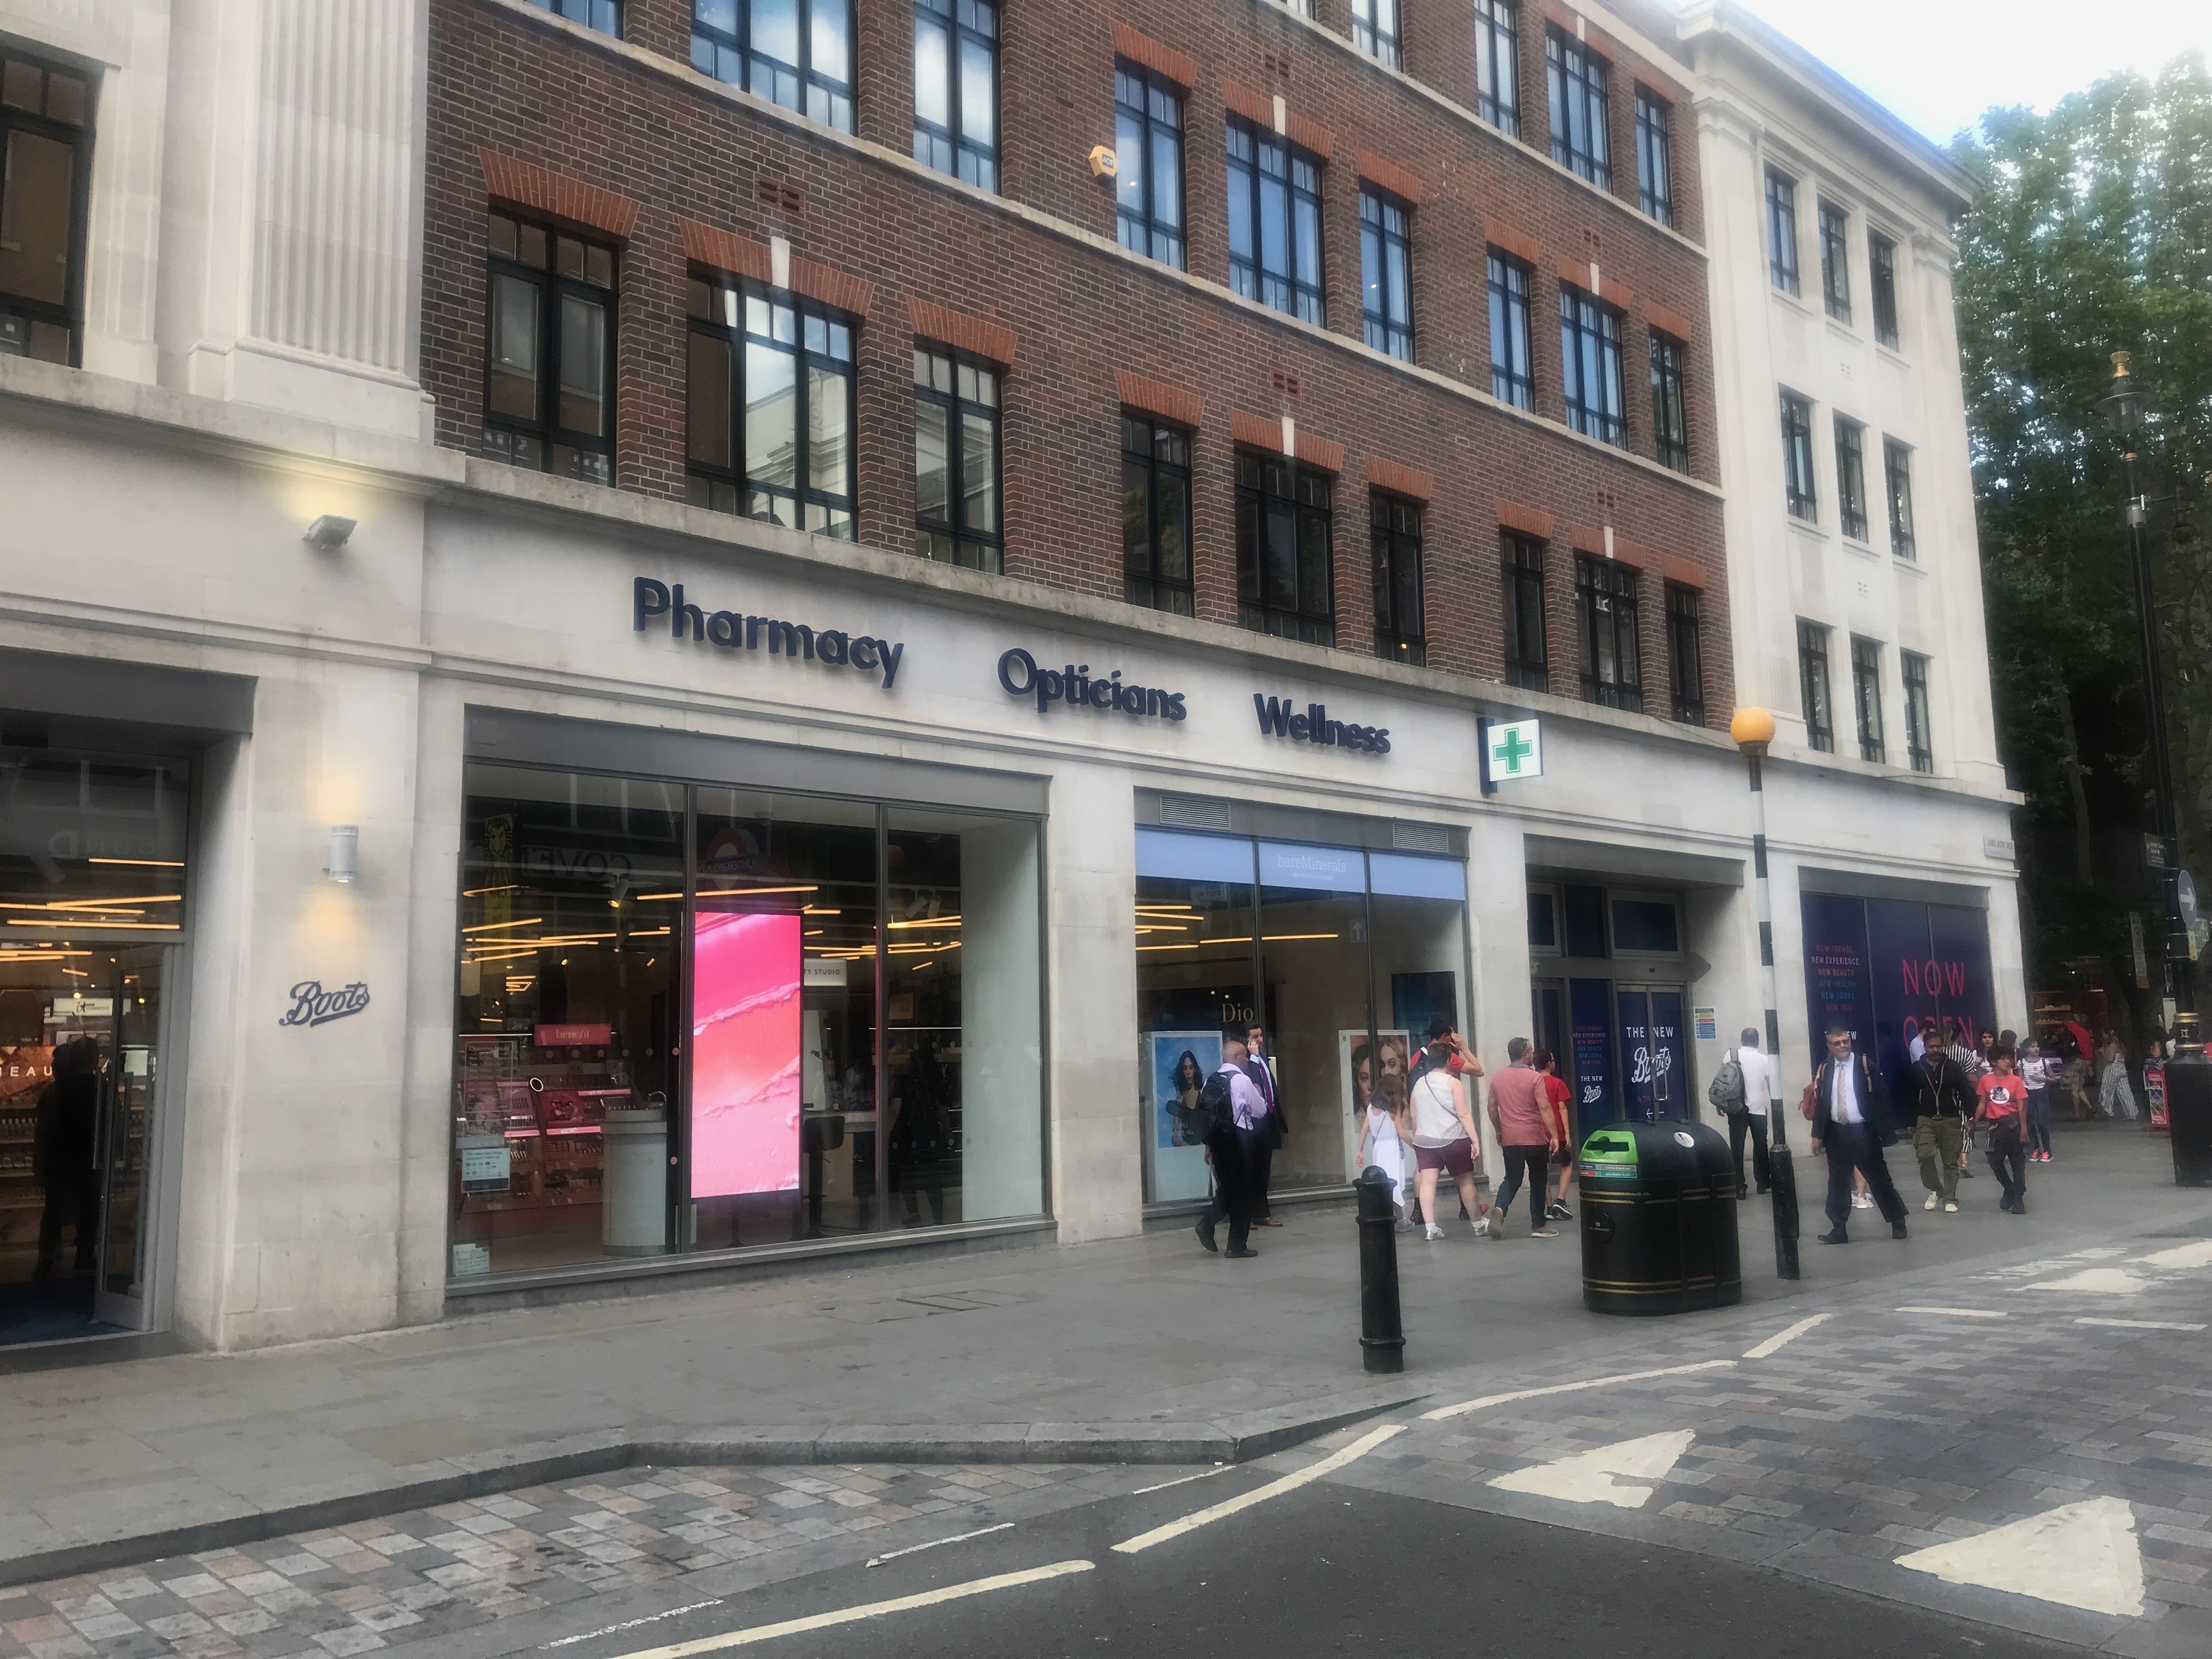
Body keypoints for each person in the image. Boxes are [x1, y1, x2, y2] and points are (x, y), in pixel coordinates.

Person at [1810, 1025, 1909, 1244]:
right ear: (1829, 1047)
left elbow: (1882, 1097)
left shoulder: (1865, 1065)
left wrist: (1886, 1131)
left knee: (1878, 1177)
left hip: (1863, 1131)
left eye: (1845, 1041)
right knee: (1837, 1181)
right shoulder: (1826, 1068)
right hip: (1836, 1133)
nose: (1843, 1045)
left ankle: (1897, 1221)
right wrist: (1817, 1133)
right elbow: (1823, 1104)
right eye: (1837, 1043)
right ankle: (1838, 1228)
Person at [33, 1037, 103, 1282]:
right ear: (95, 1060)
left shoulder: (55, 1090)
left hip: (60, 1159)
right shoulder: (102, 1090)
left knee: (54, 1209)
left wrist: (39, 1162)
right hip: (92, 1159)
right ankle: (85, 1254)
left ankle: (47, 1257)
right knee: (90, 1209)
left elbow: (45, 1129)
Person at [1406, 1028, 1483, 1242]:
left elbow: (1413, 1115)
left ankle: (1431, 1228)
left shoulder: (1419, 1084)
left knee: (1428, 1183)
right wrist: (1475, 1140)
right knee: (1466, 1182)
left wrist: (1419, 1136)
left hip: (1426, 1141)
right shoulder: (1453, 1083)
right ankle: (1477, 1224)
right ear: (1449, 1061)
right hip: (1454, 1140)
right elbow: (1464, 1114)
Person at [1195, 1035, 1267, 1259]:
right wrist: (1259, 1092)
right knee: (1243, 1193)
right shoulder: (1242, 1081)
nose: (1247, 1061)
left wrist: (1208, 1146)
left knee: (1227, 1188)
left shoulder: (1210, 1080)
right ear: (1235, 1057)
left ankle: (1207, 1224)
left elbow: (1208, 1117)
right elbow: (1260, 1111)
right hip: (1239, 1141)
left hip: (1218, 1143)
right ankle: (1236, 1245)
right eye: (1245, 1057)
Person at [1483, 1038, 1559, 1239]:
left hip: (1510, 1138)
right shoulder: (1535, 1078)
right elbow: (1544, 1107)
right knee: (1538, 1179)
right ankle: (1538, 1225)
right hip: (1534, 1138)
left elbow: (1491, 1108)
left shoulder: (1498, 1078)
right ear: (1525, 1054)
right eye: (1531, 1051)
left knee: (1512, 1178)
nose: (1533, 1055)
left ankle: (1500, 1208)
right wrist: (1554, 1135)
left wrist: (1499, 1129)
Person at [1900, 1028, 1972, 1214]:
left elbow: (1965, 1091)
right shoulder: (1916, 1068)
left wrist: (1971, 1117)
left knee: (1950, 1161)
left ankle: (1950, 1198)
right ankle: (1936, 1189)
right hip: (1925, 1118)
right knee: (1924, 1155)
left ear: (1944, 1047)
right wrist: (1910, 1121)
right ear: (1925, 1047)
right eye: (1932, 1046)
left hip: (1950, 1118)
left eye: (1939, 1046)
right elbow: (1909, 1096)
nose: (1936, 1050)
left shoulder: (1953, 1067)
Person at [1355, 1044, 1410, 1227]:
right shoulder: (1393, 1109)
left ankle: (1391, 1217)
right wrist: (1417, 1145)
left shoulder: (1371, 1108)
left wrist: (1360, 1150)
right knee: (1394, 1185)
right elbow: (1402, 1133)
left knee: (1383, 1183)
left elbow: (1365, 1130)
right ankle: (1401, 1221)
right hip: (1393, 1148)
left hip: (1378, 1148)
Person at [1724, 1026, 1775, 1200]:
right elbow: (1771, 1085)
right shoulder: (1765, 1060)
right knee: (1760, 1145)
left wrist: (1722, 1104)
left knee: (1737, 1148)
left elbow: (1725, 1082)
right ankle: (1763, 1182)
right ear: (1758, 1042)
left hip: (1736, 1108)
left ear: (1742, 1040)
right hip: (1758, 1108)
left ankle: (1739, 1187)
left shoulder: (1731, 1055)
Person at [1979, 1043, 2031, 1214]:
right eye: (2003, 1059)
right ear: (1994, 1061)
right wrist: (1974, 1120)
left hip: (2014, 1124)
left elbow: (2022, 1107)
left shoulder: (2016, 1081)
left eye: (2009, 1059)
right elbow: (1982, 1103)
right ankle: (2009, 1188)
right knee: (1994, 1160)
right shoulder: (1986, 1080)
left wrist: (2024, 1130)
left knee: (2018, 1163)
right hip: (1995, 1126)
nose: (2008, 1062)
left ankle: (2018, 1199)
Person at [1244, 1022, 1285, 1226]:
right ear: (1247, 1041)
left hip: (1268, 1120)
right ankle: (1247, 1215)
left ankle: (1262, 1213)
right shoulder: (1246, 1062)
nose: (1260, 1040)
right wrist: (1252, 1057)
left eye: (1261, 1035)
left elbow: (1270, 1087)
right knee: (1250, 1170)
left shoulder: (1263, 1060)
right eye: (1255, 1037)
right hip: (1253, 1124)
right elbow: (1253, 1085)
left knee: (1264, 1170)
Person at [1536, 1049, 1575, 1222]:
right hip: (1557, 1131)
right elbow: (1562, 1109)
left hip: (1539, 1132)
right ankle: (1561, 1200)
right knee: (1567, 1164)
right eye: (1553, 1059)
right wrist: (1567, 1134)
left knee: (1541, 1170)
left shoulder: (1533, 1083)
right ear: (1548, 1064)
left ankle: (1550, 1206)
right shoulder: (1558, 1083)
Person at [2021, 1038, 2056, 1162]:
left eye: (2037, 1046)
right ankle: (2036, 1148)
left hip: (2041, 1093)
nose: (2036, 1049)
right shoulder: (2021, 1063)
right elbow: (2020, 1080)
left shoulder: (2044, 1062)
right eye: (2033, 1047)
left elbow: (2054, 1079)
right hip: (2028, 1093)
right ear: (2026, 1049)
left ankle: (2047, 1150)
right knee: (2030, 1122)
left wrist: (2042, 1079)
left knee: (2042, 1122)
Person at [1166, 1049, 1207, 1147]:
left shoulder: (1203, 1095)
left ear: (1195, 1070)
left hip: (1203, 1150)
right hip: (1186, 1152)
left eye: (1191, 1068)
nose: (1188, 1072)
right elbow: (1174, 1138)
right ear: (1182, 1072)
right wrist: (1183, 1144)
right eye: (1185, 1069)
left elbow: (1210, 1126)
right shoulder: (1180, 1101)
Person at [2098, 1034, 2140, 1121]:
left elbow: (2110, 1059)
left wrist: (2103, 1053)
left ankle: (2107, 1110)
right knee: (2125, 1091)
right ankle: (2132, 1112)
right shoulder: (2121, 1045)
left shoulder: (2112, 1045)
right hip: (2122, 1068)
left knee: (2107, 1090)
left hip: (2112, 1069)